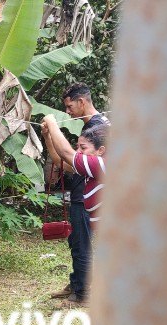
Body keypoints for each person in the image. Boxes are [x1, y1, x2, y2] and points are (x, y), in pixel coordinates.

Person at [50, 83, 110, 305]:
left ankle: (82, 294)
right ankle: (77, 283)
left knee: (82, 244)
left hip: (87, 200)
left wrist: (51, 123)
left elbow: (67, 156)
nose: (67, 111)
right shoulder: (94, 127)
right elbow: (64, 161)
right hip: (82, 196)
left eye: (69, 106)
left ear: (82, 102)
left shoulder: (98, 131)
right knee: (76, 242)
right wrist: (49, 136)